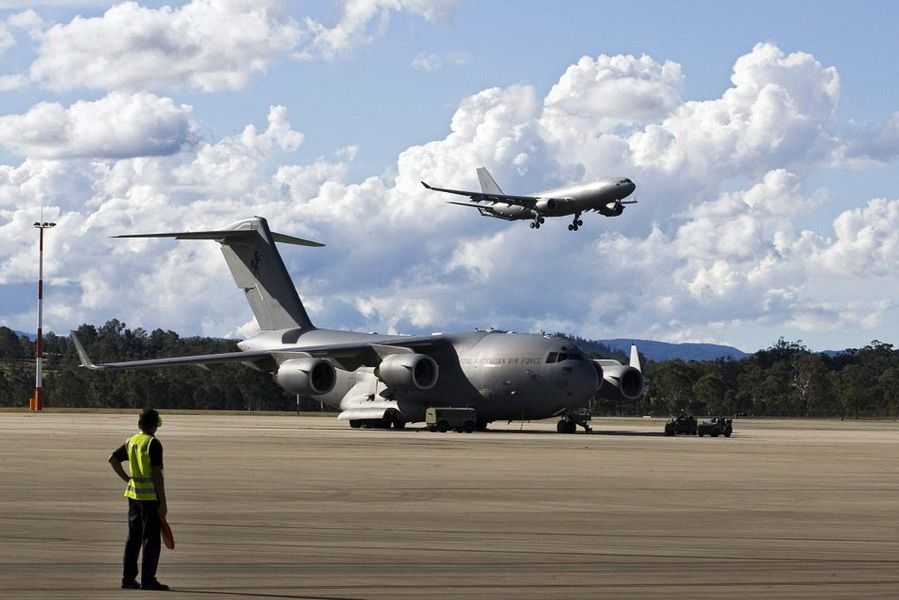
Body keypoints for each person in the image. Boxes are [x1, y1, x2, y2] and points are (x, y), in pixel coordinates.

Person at [109, 408, 169, 591]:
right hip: (150, 497)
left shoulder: (132, 441)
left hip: (133, 496)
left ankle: (128, 579)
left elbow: (113, 459)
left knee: (133, 538)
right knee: (151, 539)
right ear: (156, 424)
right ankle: (148, 579)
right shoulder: (153, 444)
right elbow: (157, 474)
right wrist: (163, 503)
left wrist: (127, 479)